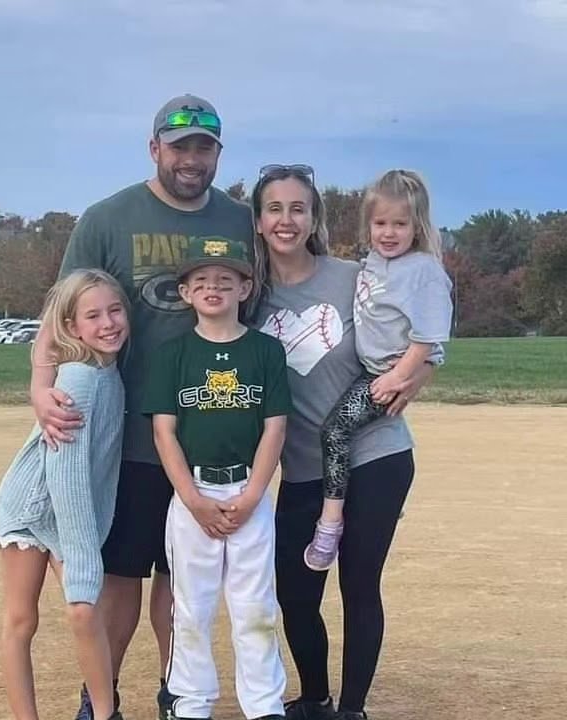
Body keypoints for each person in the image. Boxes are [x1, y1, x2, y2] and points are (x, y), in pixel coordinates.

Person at [29, 94, 253, 720]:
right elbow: (59, 313)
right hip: (126, 434)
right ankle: (99, 698)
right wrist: (40, 387)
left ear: (217, 153)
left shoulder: (240, 221)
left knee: (183, 579)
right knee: (121, 575)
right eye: (178, 147)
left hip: (210, 431)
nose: (191, 159)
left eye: (203, 147)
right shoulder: (108, 219)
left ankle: (177, 692)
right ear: (155, 148)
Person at [252, 164, 434, 720]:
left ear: (315, 218)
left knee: (358, 585)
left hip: (376, 455)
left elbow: (424, 337)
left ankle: (352, 708)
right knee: (296, 594)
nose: (287, 220)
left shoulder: (355, 277)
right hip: (303, 467)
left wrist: (413, 378)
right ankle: (314, 698)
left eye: (298, 208)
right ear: (258, 221)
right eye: (274, 209)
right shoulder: (248, 295)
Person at [143, 236, 291, 720]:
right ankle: (191, 701)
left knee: (255, 607)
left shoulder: (265, 350)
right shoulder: (173, 353)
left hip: (249, 491)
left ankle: (264, 705)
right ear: (185, 292)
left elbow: (275, 428)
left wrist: (252, 496)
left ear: (244, 289)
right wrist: (192, 499)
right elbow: (164, 432)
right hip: (194, 494)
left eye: (226, 280)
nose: (214, 288)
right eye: (201, 280)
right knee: (191, 606)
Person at [0, 269, 130, 720]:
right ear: (72, 327)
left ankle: (105, 712)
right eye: (93, 316)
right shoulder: (77, 381)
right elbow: (66, 478)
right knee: (25, 619)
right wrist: (83, 556)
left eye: (115, 311)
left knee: (87, 613)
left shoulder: (107, 372)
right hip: (32, 506)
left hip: (63, 508)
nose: (108, 323)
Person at [305, 169, 452, 571]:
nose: (389, 233)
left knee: (335, 431)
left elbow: (428, 337)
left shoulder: (423, 270)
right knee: (344, 433)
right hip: (370, 371)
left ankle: (330, 522)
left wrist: (400, 377)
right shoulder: (371, 263)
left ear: (417, 226)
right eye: (380, 223)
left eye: (400, 224)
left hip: (383, 374)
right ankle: (380, 502)